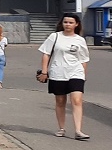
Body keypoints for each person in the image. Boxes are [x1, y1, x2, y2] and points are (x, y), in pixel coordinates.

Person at [37, 12, 90, 141]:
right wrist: (44, 72)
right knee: (60, 101)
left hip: (75, 72)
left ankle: (78, 131)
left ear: (76, 24)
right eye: (65, 22)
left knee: (77, 100)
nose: (67, 24)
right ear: (62, 23)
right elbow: (46, 54)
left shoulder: (80, 40)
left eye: (71, 22)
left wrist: (83, 75)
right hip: (57, 72)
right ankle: (61, 128)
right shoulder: (54, 37)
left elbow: (84, 59)